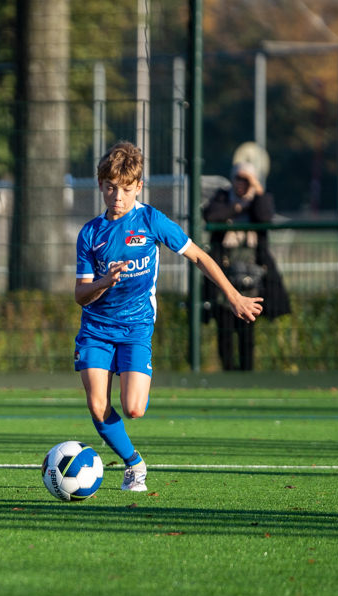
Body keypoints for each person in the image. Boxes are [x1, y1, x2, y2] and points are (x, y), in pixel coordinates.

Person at [74, 142, 262, 491]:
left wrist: (234, 296)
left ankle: (132, 453)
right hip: (97, 328)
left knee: (133, 409)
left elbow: (200, 257)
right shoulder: (90, 234)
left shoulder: (150, 220)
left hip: (136, 327)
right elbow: (80, 295)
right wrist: (105, 281)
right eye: (111, 188)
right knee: (98, 407)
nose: (118, 196)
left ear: (138, 188)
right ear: (101, 185)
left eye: (126, 189)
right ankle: (134, 464)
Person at [202, 162, 291, 370]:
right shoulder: (223, 198)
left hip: (253, 277)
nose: (241, 184)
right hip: (226, 276)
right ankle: (229, 373)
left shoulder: (259, 200)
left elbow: (264, 215)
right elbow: (211, 214)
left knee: (247, 329)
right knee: (224, 326)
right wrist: (238, 207)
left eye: (246, 180)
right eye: (238, 179)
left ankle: (246, 372)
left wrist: (257, 189)